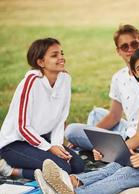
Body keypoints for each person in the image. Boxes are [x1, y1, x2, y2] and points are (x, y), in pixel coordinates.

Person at [35, 46, 139, 194]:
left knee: (127, 173)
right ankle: (72, 181)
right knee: (115, 166)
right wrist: (111, 151)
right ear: (135, 73)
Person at [0, 38, 85, 180]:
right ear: (41, 62)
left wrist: (57, 145)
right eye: (54, 55)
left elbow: (61, 119)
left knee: (77, 166)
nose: (61, 58)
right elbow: (22, 127)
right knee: (63, 168)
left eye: (61, 53)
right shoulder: (31, 82)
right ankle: (9, 170)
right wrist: (50, 148)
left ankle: (31, 164)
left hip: (42, 139)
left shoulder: (65, 79)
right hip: (15, 143)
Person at [65, 24, 139, 153]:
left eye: (134, 44)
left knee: (71, 130)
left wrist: (84, 136)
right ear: (118, 51)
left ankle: (89, 150)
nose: (130, 49)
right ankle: (91, 147)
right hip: (127, 128)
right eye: (124, 46)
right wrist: (91, 133)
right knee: (96, 114)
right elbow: (114, 115)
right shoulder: (118, 77)